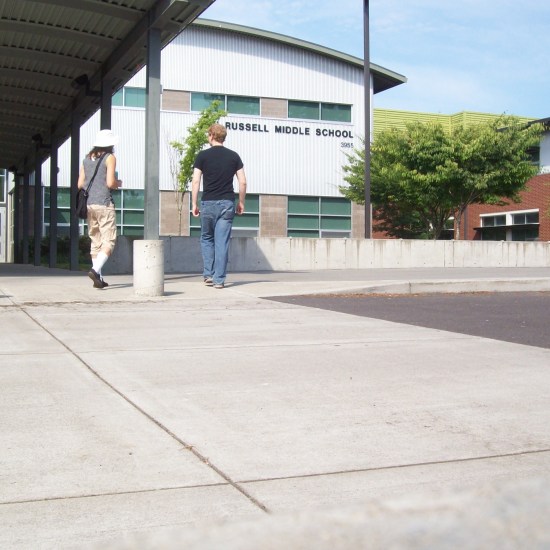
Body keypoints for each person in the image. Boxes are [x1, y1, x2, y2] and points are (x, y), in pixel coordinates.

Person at [191, 123, 247, 289]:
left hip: (208, 202)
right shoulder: (234, 156)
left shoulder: (202, 156)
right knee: (222, 242)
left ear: (211, 136)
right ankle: (219, 280)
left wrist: (194, 203)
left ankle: (208, 274)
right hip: (227, 203)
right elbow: (243, 182)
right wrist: (241, 202)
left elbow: (195, 181)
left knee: (207, 238)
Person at [77, 129, 122, 289]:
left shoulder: (86, 158)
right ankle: (95, 271)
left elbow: (80, 184)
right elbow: (110, 183)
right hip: (104, 203)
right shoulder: (110, 157)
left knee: (96, 241)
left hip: (89, 205)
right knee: (109, 241)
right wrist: (118, 183)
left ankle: (99, 279)